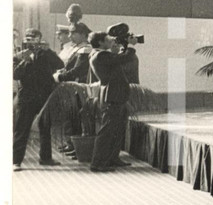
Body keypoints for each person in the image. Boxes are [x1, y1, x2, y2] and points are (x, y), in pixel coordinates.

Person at [12, 28, 64, 171]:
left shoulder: (46, 54)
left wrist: (48, 51)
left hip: (44, 96)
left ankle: (46, 158)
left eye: (34, 37)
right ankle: (16, 161)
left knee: (45, 127)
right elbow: (15, 75)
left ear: (40, 39)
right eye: (28, 37)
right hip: (26, 97)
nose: (31, 40)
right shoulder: (19, 55)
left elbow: (60, 65)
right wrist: (24, 60)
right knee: (21, 129)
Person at [88, 28, 138, 172]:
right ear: (100, 42)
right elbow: (123, 59)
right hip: (113, 96)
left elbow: (117, 60)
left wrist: (123, 49)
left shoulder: (99, 54)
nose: (111, 42)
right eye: (108, 40)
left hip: (115, 94)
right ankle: (97, 163)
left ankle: (111, 158)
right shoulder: (101, 55)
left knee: (116, 129)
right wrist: (131, 46)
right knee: (107, 131)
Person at [54, 22, 93, 157]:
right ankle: (73, 144)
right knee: (71, 117)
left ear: (83, 34)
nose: (70, 36)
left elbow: (79, 70)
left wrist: (61, 76)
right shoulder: (76, 48)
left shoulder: (85, 48)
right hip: (72, 87)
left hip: (80, 87)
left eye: (73, 33)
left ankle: (79, 147)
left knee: (78, 118)